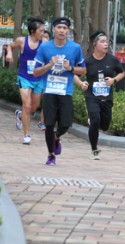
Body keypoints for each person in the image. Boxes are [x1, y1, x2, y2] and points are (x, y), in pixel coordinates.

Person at [33, 17, 86, 166]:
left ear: (68, 31)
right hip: (49, 90)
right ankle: (51, 155)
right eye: (59, 28)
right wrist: (50, 64)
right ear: (54, 29)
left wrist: (70, 68)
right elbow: (35, 72)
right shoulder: (45, 47)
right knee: (49, 124)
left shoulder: (75, 48)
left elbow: (84, 70)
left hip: (66, 91)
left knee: (66, 124)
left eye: (64, 28)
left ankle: (56, 137)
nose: (62, 30)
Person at [75, 31, 125, 160]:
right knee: (95, 120)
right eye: (102, 42)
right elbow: (75, 75)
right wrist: (81, 84)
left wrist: (113, 80)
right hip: (92, 96)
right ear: (95, 45)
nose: (106, 44)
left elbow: (122, 73)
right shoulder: (87, 62)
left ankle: (93, 121)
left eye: (107, 42)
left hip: (107, 97)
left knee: (105, 126)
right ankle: (94, 150)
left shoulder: (112, 59)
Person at [5, 17, 46, 145]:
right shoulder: (22, 41)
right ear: (33, 31)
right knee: (27, 105)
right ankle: (26, 135)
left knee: (34, 107)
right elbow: (10, 46)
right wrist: (9, 53)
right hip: (24, 77)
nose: (43, 33)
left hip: (38, 78)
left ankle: (20, 115)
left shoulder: (44, 42)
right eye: (41, 31)